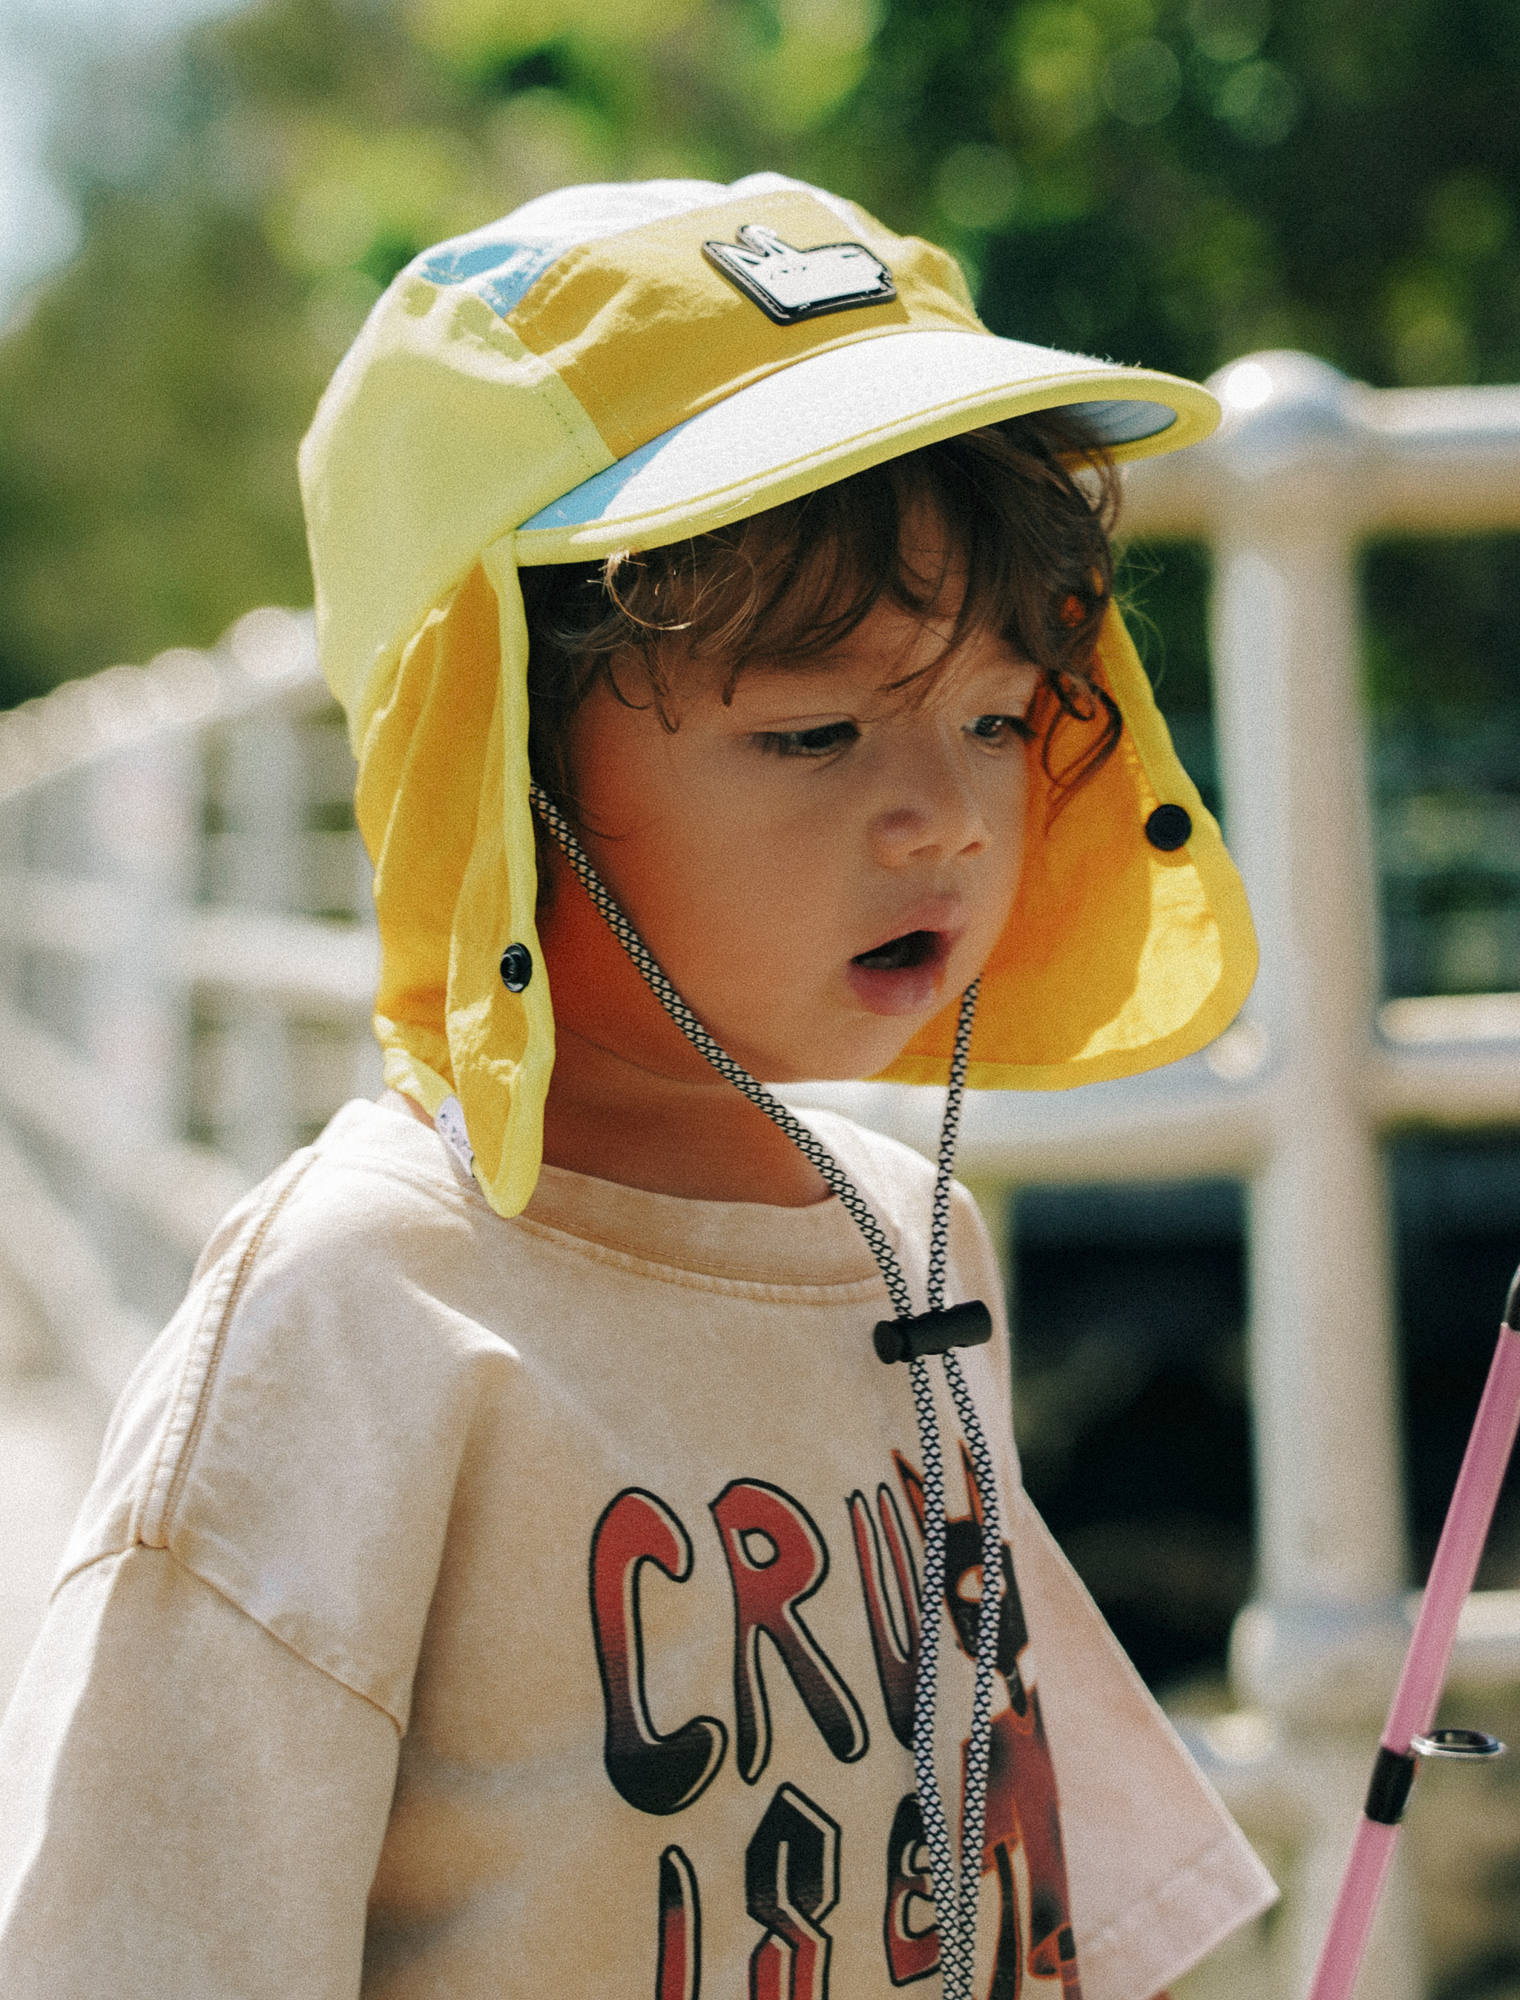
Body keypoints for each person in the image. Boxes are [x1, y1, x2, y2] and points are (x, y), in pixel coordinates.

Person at [0, 174, 1272, 1999]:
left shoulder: (910, 1241)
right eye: (814, 729)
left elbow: (1026, 1878)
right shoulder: (360, 1315)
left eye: (1000, 715)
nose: (945, 816)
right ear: (494, 760)